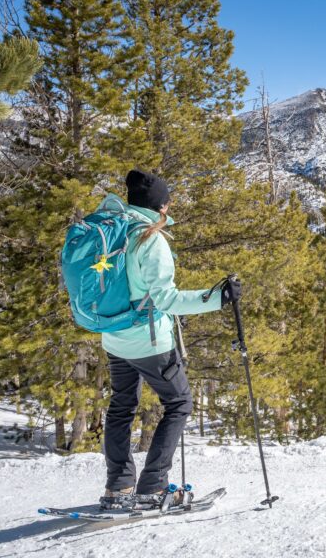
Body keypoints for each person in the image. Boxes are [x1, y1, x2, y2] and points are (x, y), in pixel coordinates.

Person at [99, 169, 238, 510]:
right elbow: (166, 300)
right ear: (160, 205)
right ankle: (153, 487)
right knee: (179, 404)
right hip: (149, 343)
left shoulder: (112, 230)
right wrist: (216, 299)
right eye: (168, 200)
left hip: (113, 337)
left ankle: (118, 489)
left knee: (121, 408)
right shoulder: (150, 239)